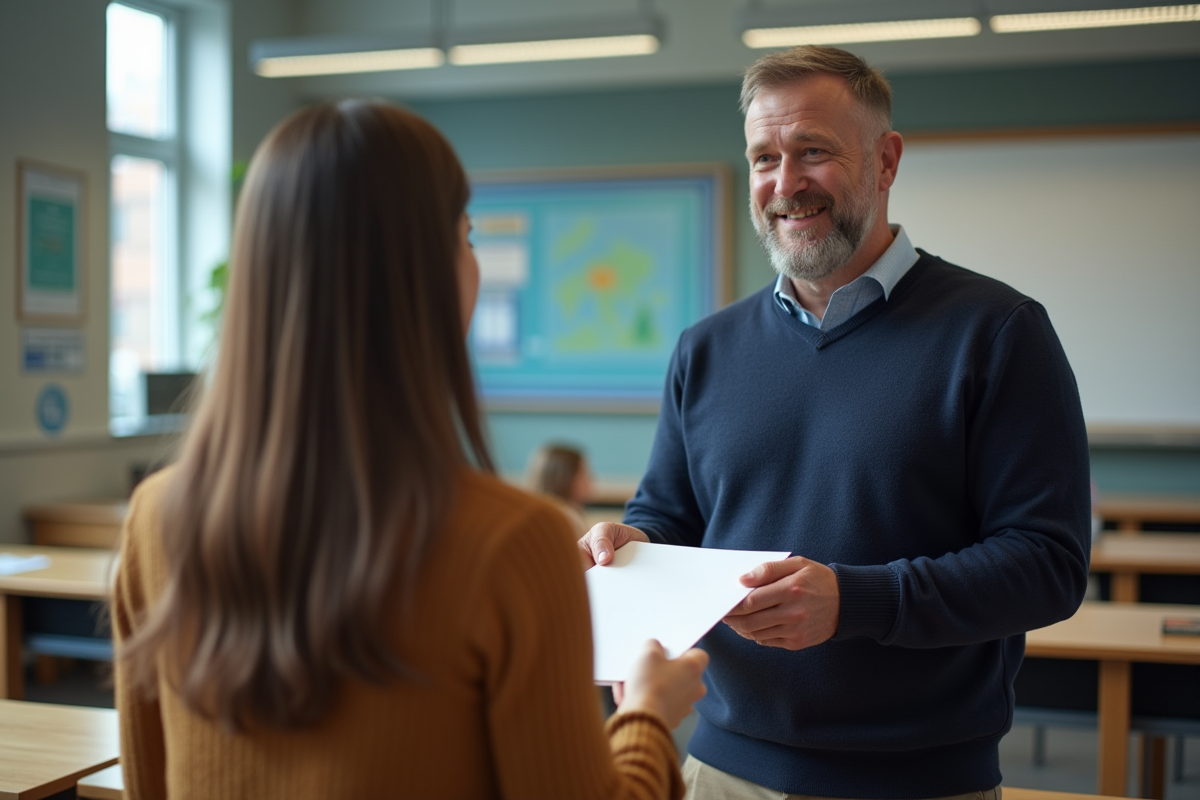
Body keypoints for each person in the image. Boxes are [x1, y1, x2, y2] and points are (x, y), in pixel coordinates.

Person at [112, 99, 708, 800]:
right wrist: (644, 715)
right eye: (468, 234)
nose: (474, 260)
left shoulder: (156, 517)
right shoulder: (514, 543)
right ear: (422, 275)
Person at [580, 45, 1091, 800]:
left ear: (886, 161)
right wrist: (637, 541)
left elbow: (1048, 565)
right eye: (763, 158)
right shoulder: (706, 348)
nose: (785, 184)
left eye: (812, 152)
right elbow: (670, 512)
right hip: (720, 768)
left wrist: (855, 600)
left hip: (918, 780)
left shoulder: (999, 332)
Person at [527, 442, 594, 533]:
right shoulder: (568, 519)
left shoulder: (535, 513)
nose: (590, 479)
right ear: (565, 478)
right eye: (583, 473)